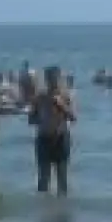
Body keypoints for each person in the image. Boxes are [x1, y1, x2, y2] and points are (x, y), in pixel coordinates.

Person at [29, 67, 76, 196]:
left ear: (59, 79)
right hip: (44, 138)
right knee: (43, 179)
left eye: (54, 78)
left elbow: (73, 117)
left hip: (61, 138)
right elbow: (31, 120)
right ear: (46, 80)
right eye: (49, 78)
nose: (52, 81)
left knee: (62, 179)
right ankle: (43, 211)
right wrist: (40, 116)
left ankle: (62, 211)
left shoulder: (66, 96)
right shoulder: (40, 98)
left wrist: (61, 105)